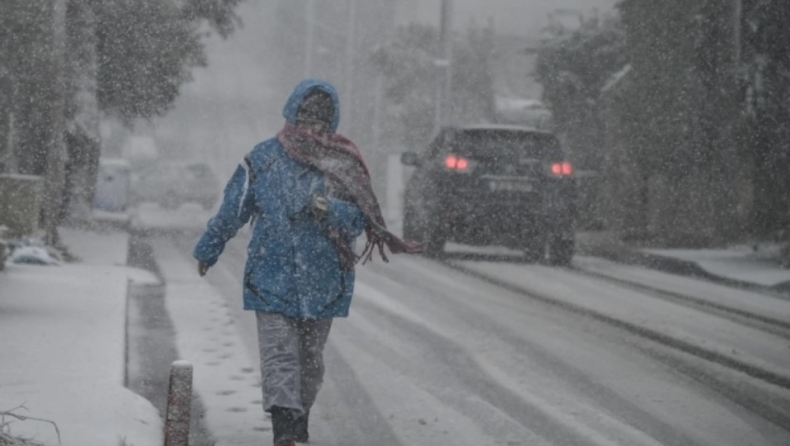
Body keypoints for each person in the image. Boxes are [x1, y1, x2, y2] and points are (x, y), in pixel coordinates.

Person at [193, 79, 422, 446]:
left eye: (320, 121)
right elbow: (233, 209)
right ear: (292, 115)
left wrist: (331, 209)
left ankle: (297, 419)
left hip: (324, 281)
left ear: (331, 123)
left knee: (310, 363)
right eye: (306, 118)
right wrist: (209, 248)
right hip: (270, 277)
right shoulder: (263, 159)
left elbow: (358, 221)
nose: (312, 128)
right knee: (279, 357)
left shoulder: (343, 165)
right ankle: (285, 430)